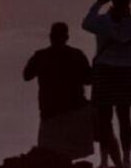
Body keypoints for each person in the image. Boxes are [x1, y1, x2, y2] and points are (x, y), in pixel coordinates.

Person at [83, 0, 131, 168]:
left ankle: (109, 161)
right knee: (118, 117)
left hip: (107, 71)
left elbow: (87, 24)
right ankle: (122, 160)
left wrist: (100, 4)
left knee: (109, 118)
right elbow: (87, 24)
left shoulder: (108, 22)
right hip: (123, 71)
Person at [23, 22, 96, 160]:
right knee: (68, 152)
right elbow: (89, 79)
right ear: (66, 37)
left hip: (52, 111)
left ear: (51, 37)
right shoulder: (76, 54)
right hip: (73, 109)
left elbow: (27, 75)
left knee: (53, 154)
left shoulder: (41, 56)